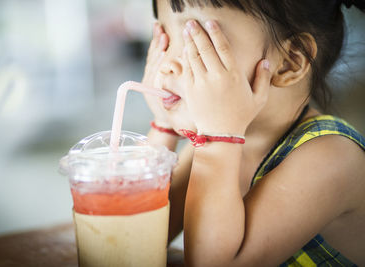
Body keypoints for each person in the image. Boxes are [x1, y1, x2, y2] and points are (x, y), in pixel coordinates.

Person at [142, 0, 365, 266]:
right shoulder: (217, 146)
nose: (166, 64)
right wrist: (163, 125)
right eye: (164, 41)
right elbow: (144, 236)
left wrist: (217, 139)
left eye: (198, 42)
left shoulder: (331, 158)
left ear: (289, 62)